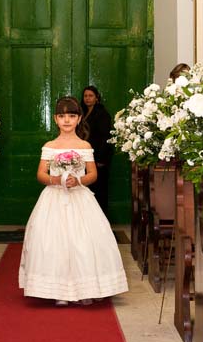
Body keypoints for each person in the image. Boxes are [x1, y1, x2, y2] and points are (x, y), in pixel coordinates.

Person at [19, 96, 128, 307]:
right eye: (62, 116)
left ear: (78, 119)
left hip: (79, 197)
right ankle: (57, 289)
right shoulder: (50, 145)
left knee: (84, 242)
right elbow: (41, 174)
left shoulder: (84, 145)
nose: (66, 120)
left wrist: (78, 180)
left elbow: (93, 174)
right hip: (54, 196)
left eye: (71, 116)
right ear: (55, 119)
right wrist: (56, 179)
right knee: (52, 242)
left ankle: (85, 287)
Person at [80, 86, 113, 215]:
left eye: (91, 96)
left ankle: (101, 218)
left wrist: (100, 158)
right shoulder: (82, 112)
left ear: (97, 97)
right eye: (85, 96)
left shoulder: (102, 113)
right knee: (87, 188)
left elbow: (106, 137)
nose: (88, 98)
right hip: (86, 156)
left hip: (99, 157)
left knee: (100, 190)